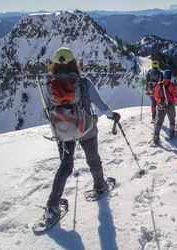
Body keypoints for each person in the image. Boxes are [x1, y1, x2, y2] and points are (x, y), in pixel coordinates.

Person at [44, 47, 121, 219]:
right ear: (74, 63)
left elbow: (46, 112)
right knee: (93, 160)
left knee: (65, 166)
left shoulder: (50, 85)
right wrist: (112, 115)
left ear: (55, 65)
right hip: (86, 128)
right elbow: (100, 104)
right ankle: (100, 186)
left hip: (62, 131)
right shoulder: (83, 82)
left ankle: (52, 206)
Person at [152, 69, 177, 145]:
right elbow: (175, 97)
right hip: (170, 105)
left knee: (159, 120)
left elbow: (155, 96)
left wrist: (160, 102)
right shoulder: (172, 85)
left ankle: (156, 136)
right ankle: (171, 133)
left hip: (161, 105)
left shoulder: (159, 84)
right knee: (172, 119)